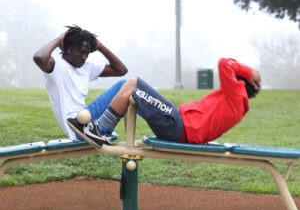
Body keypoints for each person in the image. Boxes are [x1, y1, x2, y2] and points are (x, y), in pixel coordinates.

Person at [67, 58, 261, 147]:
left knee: (133, 83)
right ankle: (92, 124)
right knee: (124, 85)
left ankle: (100, 131)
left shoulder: (237, 94)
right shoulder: (236, 102)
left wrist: (248, 72)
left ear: (240, 82)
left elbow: (224, 63)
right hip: (177, 125)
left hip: (177, 126)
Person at [33, 25, 128, 140]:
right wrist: (59, 39)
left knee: (128, 87)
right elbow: (39, 57)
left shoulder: (87, 67)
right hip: (77, 127)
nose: (84, 57)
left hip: (86, 120)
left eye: (87, 53)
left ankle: (101, 129)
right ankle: (156, 122)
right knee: (126, 85)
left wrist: (100, 47)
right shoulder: (57, 66)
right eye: (81, 52)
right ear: (69, 48)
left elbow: (121, 70)